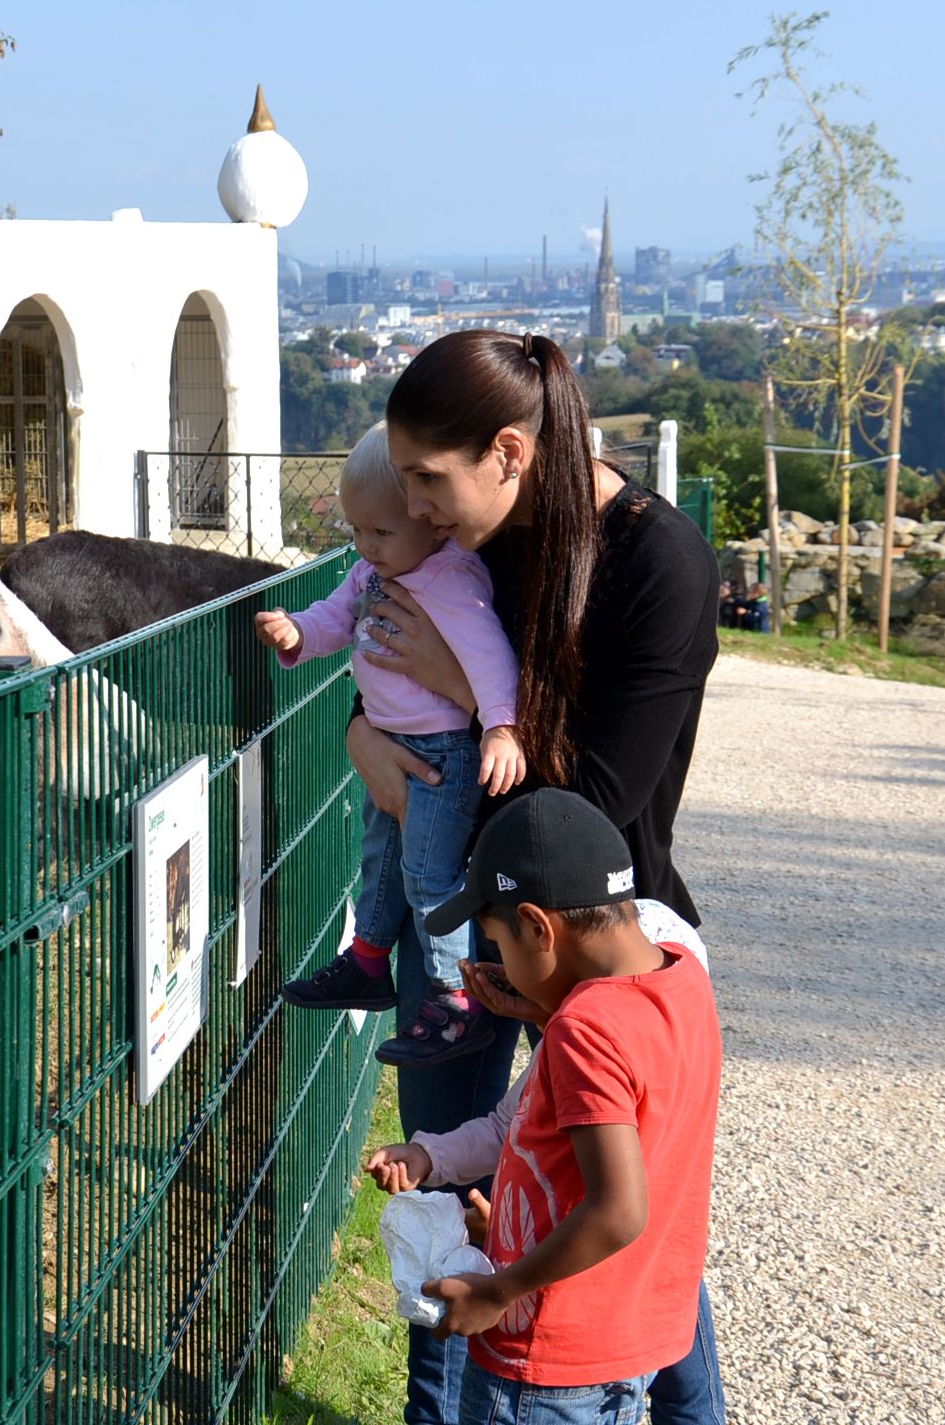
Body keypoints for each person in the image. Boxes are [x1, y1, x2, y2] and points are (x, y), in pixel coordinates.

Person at [347, 329, 724, 1424]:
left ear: (510, 452)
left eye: (429, 480)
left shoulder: (660, 564)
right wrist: (366, 735)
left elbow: (592, 805)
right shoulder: (476, 540)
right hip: (466, 924)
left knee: (623, 1221)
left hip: (593, 941)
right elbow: (386, 671)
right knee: (452, 1197)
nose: (413, 511)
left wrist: (447, 708)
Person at [364, 791, 722, 1425]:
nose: (499, 960)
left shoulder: (586, 1031)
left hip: (546, 1359)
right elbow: (631, 1076)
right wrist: (544, 1010)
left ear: (537, 927)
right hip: (629, 1338)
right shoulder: (683, 976)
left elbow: (618, 1210)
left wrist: (499, 1290)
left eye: (499, 940)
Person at [258, 423, 528, 1067]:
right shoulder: (374, 569)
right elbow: (334, 616)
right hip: (392, 741)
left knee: (432, 878)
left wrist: (500, 725)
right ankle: (369, 960)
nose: (365, 547)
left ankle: (452, 1000)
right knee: (380, 857)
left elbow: (492, 660)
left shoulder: (451, 578)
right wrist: (298, 633)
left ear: (430, 521)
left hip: (443, 755)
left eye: (380, 532)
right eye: (356, 531)